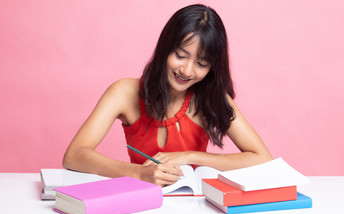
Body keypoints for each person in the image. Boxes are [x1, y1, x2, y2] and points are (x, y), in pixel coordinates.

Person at [63, 4, 272, 186]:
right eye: (180, 55)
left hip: (193, 208)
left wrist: (189, 156)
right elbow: (74, 156)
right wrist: (137, 173)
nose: (187, 71)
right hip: (140, 202)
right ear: (165, 48)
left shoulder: (210, 98)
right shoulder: (123, 92)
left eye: (201, 64)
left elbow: (262, 159)